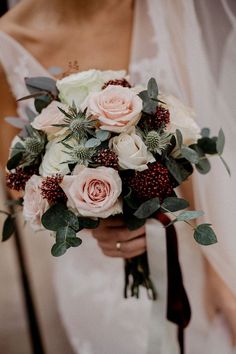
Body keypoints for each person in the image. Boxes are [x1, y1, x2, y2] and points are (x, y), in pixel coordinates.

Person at [0, 0, 235, 353]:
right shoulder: (8, 39)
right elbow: (17, 178)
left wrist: (219, 272)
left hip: (194, 243)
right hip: (98, 277)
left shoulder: (162, 8)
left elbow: (194, 139)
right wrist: (89, 214)